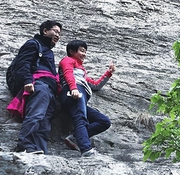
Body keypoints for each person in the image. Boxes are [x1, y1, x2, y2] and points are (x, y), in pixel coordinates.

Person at [10, 20, 62, 154]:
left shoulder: (49, 52)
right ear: (45, 31)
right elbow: (24, 63)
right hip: (39, 85)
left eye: (59, 33)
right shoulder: (33, 44)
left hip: (50, 90)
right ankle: (24, 145)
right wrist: (27, 81)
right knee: (36, 115)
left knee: (45, 123)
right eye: (55, 31)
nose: (57, 35)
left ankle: (40, 150)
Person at [59, 39, 115, 157]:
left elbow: (95, 85)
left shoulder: (81, 71)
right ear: (71, 51)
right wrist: (73, 88)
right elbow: (68, 73)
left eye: (85, 51)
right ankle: (86, 149)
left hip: (80, 95)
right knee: (81, 118)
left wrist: (108, 73)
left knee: (104, 121)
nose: (84, 54)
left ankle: (74, 137)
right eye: (81, 51)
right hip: (73, 92)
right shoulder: (67, 60)